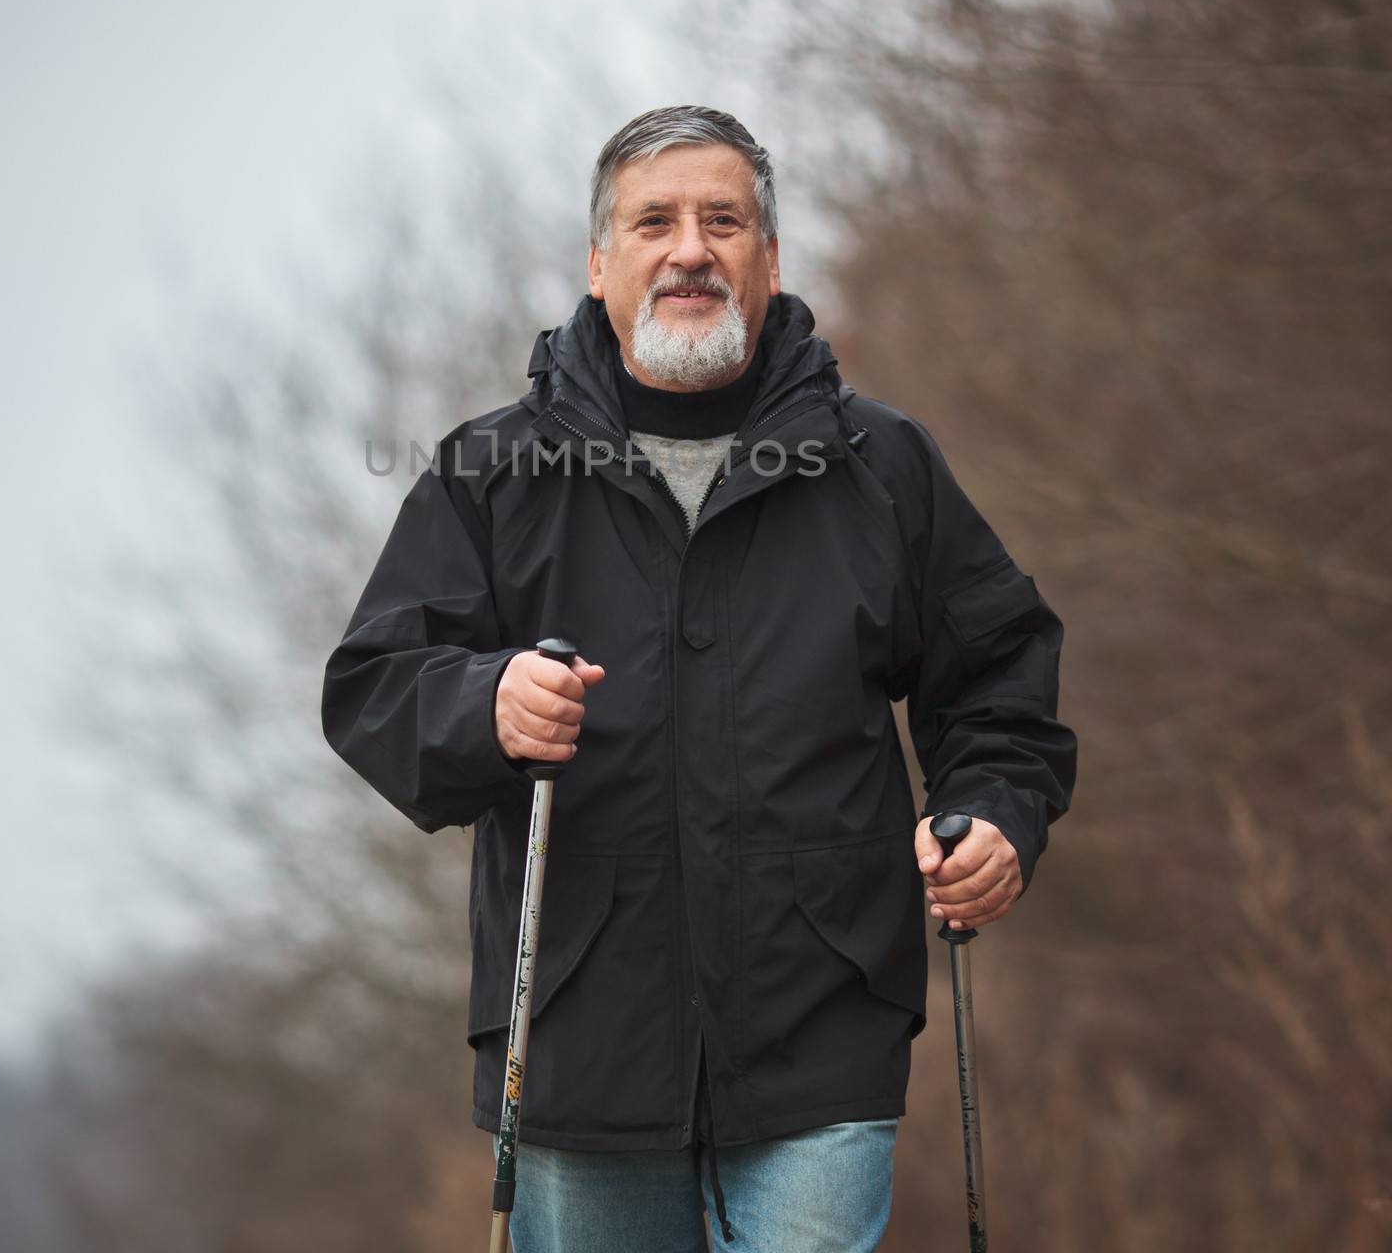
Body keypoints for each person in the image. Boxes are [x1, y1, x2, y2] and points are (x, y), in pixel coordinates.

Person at [321, 105, 1076, 1252]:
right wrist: (486, 704)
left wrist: (994, 817)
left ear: (768, 258)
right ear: (599, 260)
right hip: (578, 1043)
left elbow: (998, 684)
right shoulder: (491, 473)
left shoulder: (885, 468)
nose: (690, 248)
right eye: (654, 221)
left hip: (823, 1031)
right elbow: (372, 685)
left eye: (723, 220)